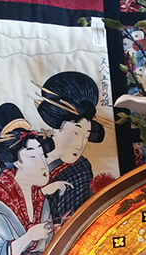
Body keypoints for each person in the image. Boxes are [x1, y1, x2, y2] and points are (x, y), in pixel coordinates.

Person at [0, 103, 68, 255]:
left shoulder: (38, 195)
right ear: (15, 161)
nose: (43, 163)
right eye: (32, 156)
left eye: (42, 154)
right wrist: (28, 237)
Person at [35, 71, 106, 223]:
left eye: (86, 136)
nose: (80, 145)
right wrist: (42, 193)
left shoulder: (80, 169)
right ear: (55, 129)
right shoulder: (28, 157)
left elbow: (74, 221)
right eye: (75, 133)